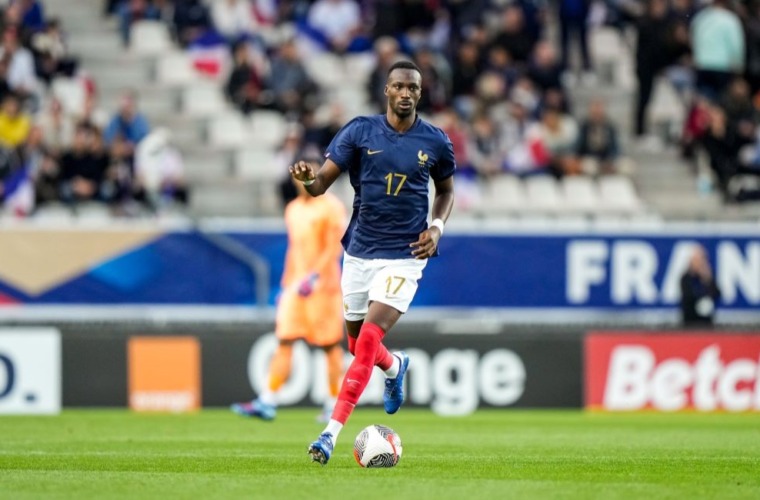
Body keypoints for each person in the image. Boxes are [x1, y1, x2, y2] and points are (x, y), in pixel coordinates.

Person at [289, 60, 456, 465]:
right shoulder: (360, 132)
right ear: (387, 90)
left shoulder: (435, 141)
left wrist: (436, 229)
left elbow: (446, 190)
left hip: (405, 256)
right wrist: (309, 179)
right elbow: (320, 186)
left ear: (420, 93)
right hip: (360, 253)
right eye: (398, 86)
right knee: (355, 343)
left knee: (366, 341)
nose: (405, 93)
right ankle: (395, 366)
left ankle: (330, 434)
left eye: (412, 88)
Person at [231, 175, 347, 423]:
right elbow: (295, 249)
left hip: (324, 288)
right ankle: (268, 399)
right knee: (284, 340)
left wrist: (315, 276)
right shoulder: (293, 209)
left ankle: (333, 404)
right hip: (296, 287)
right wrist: (287, 284)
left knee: (329, 346)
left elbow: (333, 247)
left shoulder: (331, 206)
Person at [680, 245, 721, 326]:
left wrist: (707, 280)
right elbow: (689, 297)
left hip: (707, 323)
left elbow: (717, 294)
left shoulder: (708, 278)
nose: (699, 263)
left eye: (701, 260)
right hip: (690, 324)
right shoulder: (686, 278)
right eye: (696, 260)